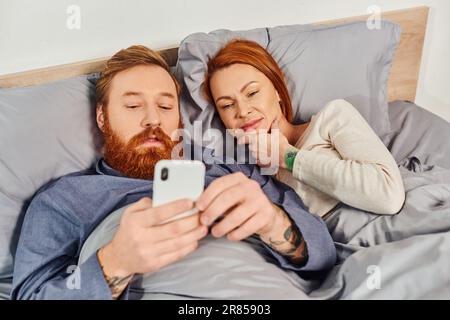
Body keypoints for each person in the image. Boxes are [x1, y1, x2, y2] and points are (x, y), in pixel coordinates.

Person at [11, 45, 336, 300]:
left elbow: (324, 253)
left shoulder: (229, 170)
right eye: (133, 105)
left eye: (166, 107)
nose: (152, 119)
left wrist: (273, 221)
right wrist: (115, 262)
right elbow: (30, 294)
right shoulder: (64, 200)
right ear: (102, 118)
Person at [203, 39, 406, 218]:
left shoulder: (332, 118)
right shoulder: (251, 178)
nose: (243, 111)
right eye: (227, 105)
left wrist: (289, 157)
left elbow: (388, 195)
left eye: (252, 92)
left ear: (277, 90)